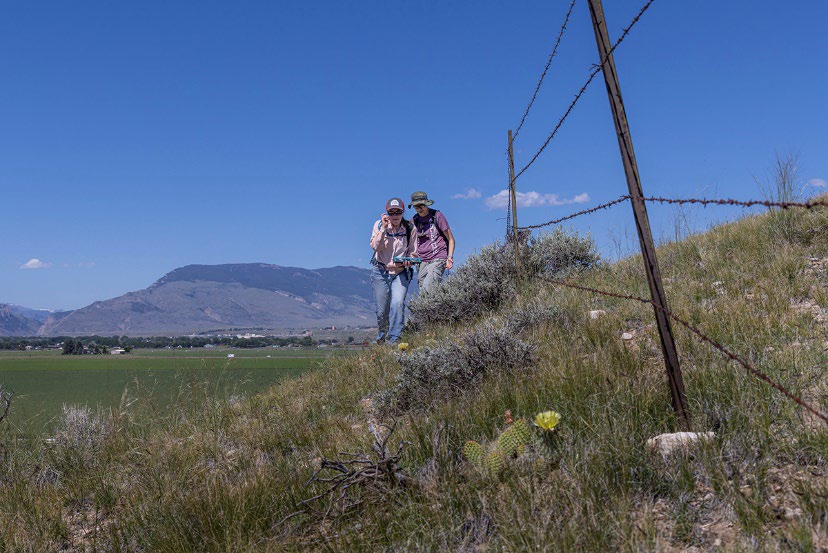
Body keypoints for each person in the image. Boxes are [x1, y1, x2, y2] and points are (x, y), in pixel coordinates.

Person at [369, 197, 415, 344]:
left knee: (397, 303)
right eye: (392, 212)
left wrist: (410, 260)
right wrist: (383, 228)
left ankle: (394, 339)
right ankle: (382, 335)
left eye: (398, 212)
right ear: (387, 213)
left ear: (403, 212)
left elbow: (414, 252)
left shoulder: (409, 228)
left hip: (400, 272)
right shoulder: (378, 225)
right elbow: (376, 247)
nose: (395, 216)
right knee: (382, 310)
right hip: (380, 271)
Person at [409, 191, 455, 292]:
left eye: (421, 206)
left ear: (427, 204)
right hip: (422, 262)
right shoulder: (414, 220)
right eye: (416, 207)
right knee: (423, 291)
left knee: (428, 288)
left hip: (438, 258)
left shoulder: (437, 216)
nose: (419, 209)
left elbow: (451, 239)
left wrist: (450, 257)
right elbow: (409, 242)